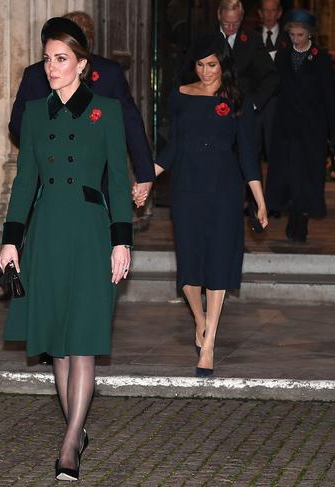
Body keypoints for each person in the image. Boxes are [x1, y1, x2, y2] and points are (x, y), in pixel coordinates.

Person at [0, 17, 133, 482]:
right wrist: (11, 240)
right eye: (47, 59)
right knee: (57, 342)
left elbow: (118, 181)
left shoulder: (107, 110)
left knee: (84, 340)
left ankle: (71, 441)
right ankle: (75, 427)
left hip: (92, 232)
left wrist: (122, 242)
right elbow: (24, 184)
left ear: (81, 65)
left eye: (60, 59)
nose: (51, 68)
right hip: (48, 233)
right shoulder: (35, 113)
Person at [154, 33, 268, 378]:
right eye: (200, 65)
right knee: (189, 263)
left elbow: (248, 154)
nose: (205, 71)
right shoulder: (180, 96)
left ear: (224, 66)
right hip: (187, 187)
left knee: (218, 259)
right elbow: (174, 146)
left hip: (225, 191)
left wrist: (260, 201)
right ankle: (200, 320)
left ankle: (210, 344)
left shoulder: (237, 99)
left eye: (212, 65)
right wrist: (147, 177)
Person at [9, 12, 155, 207]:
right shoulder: (36, 74)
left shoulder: (109, 72)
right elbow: (17, 122)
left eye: (87, 34)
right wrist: (46, 144)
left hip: (93, 176)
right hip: (47, 175)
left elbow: (130, 122)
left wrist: (145, 172)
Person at [265, 9, 335, 242]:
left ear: (310, 34)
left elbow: (328, 96)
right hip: (286, 127)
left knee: (307, 177)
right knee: (288, 175)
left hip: (311, 130)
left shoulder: (321, 58)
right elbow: (273, 85)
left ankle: (301, 218)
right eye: (292, 34)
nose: (296, 39)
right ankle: (293, 213)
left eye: (300, 35)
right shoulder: (283, 56)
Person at [215, 0, 279, 215]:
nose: (230, 28)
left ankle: (254, 208)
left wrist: (254, 103)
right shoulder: (208, 39)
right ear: (219, 17)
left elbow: (271, 76)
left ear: (241, 20)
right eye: (226, 23)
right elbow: (188, 71)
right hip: (213, 111)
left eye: (234, 23)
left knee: (248, 157)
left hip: (242, 112)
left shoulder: (251, 40)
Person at [257, 0, 287, 167]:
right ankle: (251, 192)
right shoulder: (250, 36)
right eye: (265, 11)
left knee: (276, 151)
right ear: (260, 13)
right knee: (252, 150)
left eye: (273, 11)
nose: (269, 15)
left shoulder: (289, 37)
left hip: (279, 104)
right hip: (255, 104)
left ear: (279, 13)